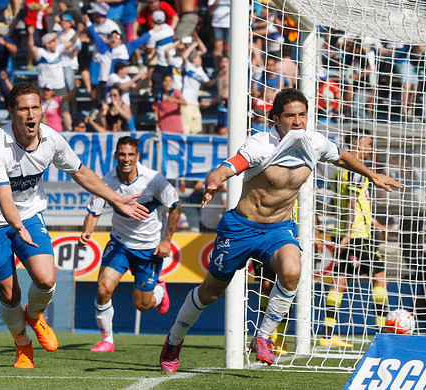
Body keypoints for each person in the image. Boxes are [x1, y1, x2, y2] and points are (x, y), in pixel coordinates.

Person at [159, 88, 401, 372]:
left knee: (292, 270)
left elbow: (342, 156)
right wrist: (214, 180)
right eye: (290, 116)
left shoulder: (315, 142)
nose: (297, 121)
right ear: (275, 118)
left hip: (278, 229)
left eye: (302, 115)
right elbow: (228, 167)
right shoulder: (261, 145)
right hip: (241, 228)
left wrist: (372, 175)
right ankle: (174, 340)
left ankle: (263, 337)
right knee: (210, 293)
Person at [0, 82, 148, 369]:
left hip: (28, 214)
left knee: (46, 279)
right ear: (12, 112)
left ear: (42, 110)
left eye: (35, 108)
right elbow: (3, 196)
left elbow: (81, 172)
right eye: (23, 109)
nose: (30, 115)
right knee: (9, 292)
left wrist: (117, 199)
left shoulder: (51, 139)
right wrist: (16, 225)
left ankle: (36, 315)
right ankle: (23, 345)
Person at [79, 136, 180, 352]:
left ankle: (160, 290)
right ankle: (107, 341)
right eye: (122, 154)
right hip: (120, 244)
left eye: (130, 155)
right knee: (103, 289)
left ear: (137, 157)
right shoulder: (106, 181)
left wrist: (166, 241)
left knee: (142, 305)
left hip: (149, 248)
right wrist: (87, 232)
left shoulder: (154, 180)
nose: (126, 159)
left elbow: (175, 206)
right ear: (116, 155)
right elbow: (94, 211)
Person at [319, 128, 389, 348]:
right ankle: (382, 331)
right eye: (367, 144)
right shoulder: (356, 168)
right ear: (357, 144)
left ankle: (328, 333)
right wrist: (350, 234)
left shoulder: (339, 168)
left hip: (348, 230)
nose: (369, 149)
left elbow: (357, 201)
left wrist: (375, 223)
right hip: (357, 235)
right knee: (379, 277)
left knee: (340, 280)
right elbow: (350, 201)